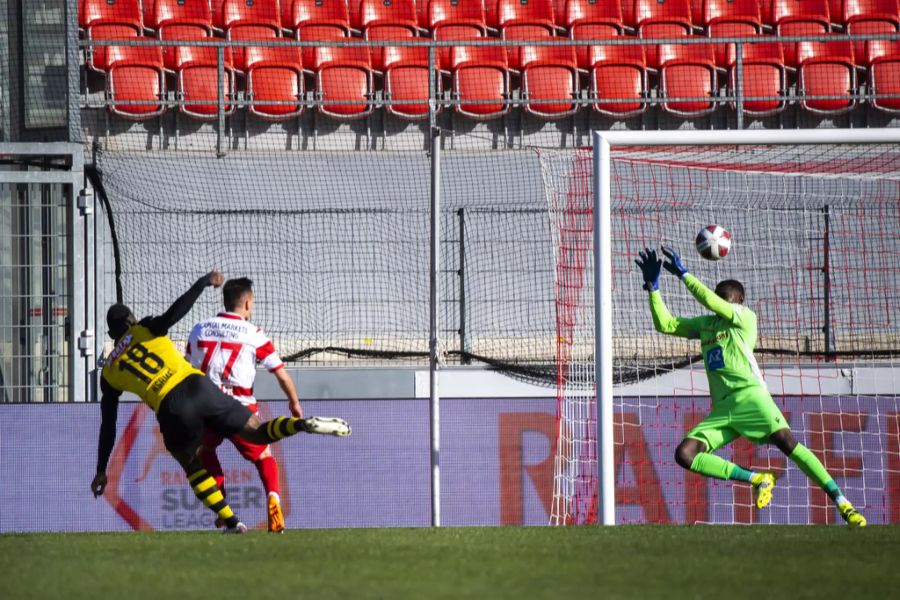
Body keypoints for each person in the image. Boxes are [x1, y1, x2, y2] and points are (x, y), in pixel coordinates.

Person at [90, 271, 351, 534]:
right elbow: (173, 313)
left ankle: (231, 521)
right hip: (202, 388)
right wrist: (203, 282)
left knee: (193, 462)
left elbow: (108, 424)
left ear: (112, 333)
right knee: (259, 436)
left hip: (171, 408)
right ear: (130, 319)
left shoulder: (109, 373)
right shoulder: (144, 328)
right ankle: (302, 424)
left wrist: (102, 469)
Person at [636, 247, 866, 526]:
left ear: (739, 301)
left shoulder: (745, 318)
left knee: (788, 443)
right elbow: (667, 325)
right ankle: (757, 478)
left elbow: (711, 301)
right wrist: (653, 289)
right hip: (723, 408)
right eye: (719, 298)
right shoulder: (707, 325)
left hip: (751, 398)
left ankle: (843, 504)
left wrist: (685, 275)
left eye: (726, 299)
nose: (720, 304)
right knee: (685, 454)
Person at [187, 277, 300, 533]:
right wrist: (294, 403)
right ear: (247, 303)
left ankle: (222, 507)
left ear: (224, 301)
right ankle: (273, 497)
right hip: (241, 408)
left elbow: (187, 369)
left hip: (206, 406)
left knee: (204, 451)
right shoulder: (254, 333)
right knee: (263, 456)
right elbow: (280, 373)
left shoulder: (199, 328)